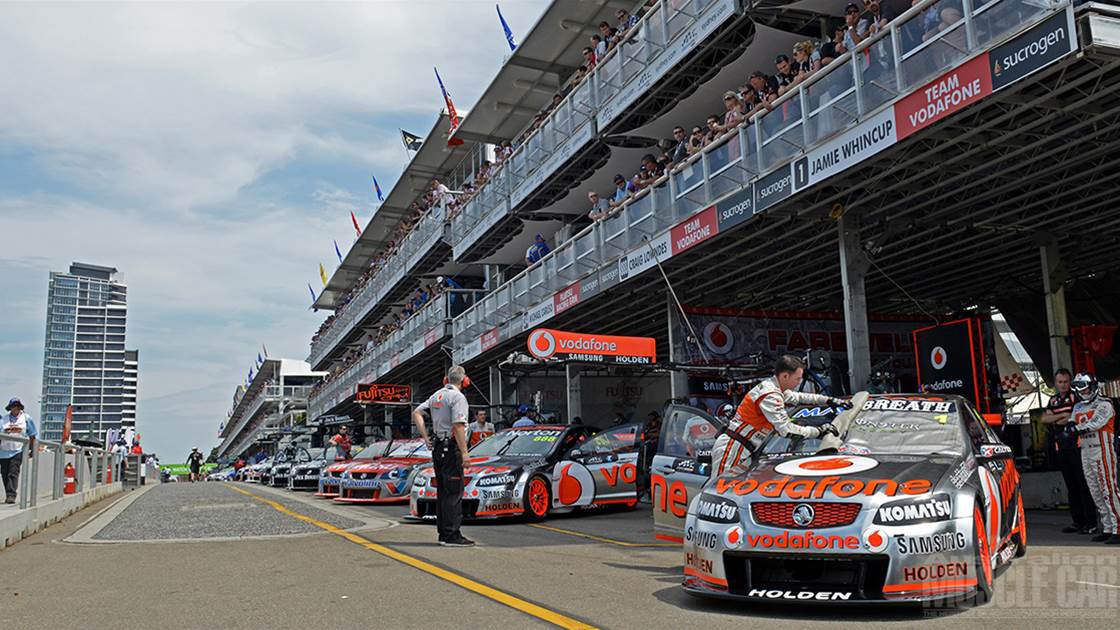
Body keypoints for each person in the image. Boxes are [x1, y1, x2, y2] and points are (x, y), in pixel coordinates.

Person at [710, 355, 850, 480]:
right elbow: (787, 430)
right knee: (719, 488)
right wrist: (818, 431)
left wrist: (829, 400)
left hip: (745, 447)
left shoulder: (777, 389)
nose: (799, 382)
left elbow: (800, 397)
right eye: (798, 378)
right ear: (785, 377)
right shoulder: (770, 394)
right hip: (735, 446)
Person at [412, 365, 474, 547]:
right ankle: (452, 534)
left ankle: (443, 533)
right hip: (451, 447)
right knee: (454, 492)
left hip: (438, 446)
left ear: (446, 380)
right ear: (464, 381)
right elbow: (458, 426)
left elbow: (416, 412)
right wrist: (465, 453)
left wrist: (425, 437)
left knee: (443, 492)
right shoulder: (458, 397)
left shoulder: (436, 396)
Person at [1041, 368, 1095, 534]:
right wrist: (1061, 416)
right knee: (1071, 485)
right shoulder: (1053, 400)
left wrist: (1060, 417)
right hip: (1061, 446)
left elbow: (1073, 416)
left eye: (1065, 382)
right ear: (1056, 383)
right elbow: (1044, 418)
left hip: (1077, 445)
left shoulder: (1076, 396)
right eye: (1060, 382)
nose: (1063, 385)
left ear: (1070, 382)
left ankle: (1090, 523)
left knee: (1083, 484)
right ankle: (1077, 522)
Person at [1070, 373, 1120, 543]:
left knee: (1108, 489)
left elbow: (1096, 423)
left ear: (1092, 386)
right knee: (1095, 490)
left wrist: (1075, 429)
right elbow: (1071, 422)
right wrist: (1070, 427)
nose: (1081, 391)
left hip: (1102, 447)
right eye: (1078, 388)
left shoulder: (1105, 403)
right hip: (1085, 449)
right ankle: (1108, 527)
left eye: (1084, 387)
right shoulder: (1077, 407)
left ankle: (1118, 527)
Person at [1, 398, 36, 504]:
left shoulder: (26, 418)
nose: (15, 408)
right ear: (10, 408)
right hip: (3, 451)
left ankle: (11, 495)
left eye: (17, 406)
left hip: (18, 450)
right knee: (4, 473)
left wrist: (32, 449)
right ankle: (8, 493)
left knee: (13, 472)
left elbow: (32, 435)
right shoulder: (3, 419)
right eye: (13, 406)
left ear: (20, 407)